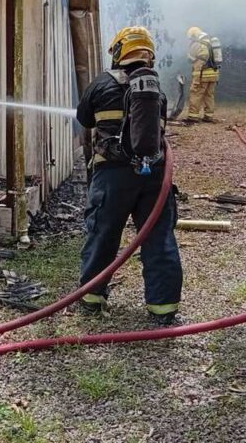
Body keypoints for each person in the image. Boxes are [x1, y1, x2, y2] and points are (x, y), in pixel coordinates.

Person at [76, 26, 183, 325]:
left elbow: (83, 118)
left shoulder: (101, 84)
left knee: (103, 234)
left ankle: (92, 298)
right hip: (154, 175)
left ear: (120, 51)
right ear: (148, 53)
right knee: (159, 238)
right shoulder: (155, 90)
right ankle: (164, 308)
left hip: (112, 176)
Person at [186, 26, 222, 123]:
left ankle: (193, 117)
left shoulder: (197, 44)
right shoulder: (211, 41)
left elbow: (190, 59)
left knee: (196, 93)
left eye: (191, 38)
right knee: (209, 95)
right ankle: (208, 116)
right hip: (214, 75)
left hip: (202, 75)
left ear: (194, 35)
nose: (191, 40)